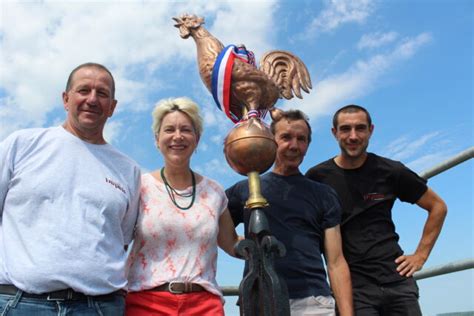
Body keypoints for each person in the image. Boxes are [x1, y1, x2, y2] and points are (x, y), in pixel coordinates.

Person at [0, 62, 141, 315]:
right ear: (66, 99)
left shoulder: (128, 170)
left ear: (112, 107)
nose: (92, 99)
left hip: (99, 307)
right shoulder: (21, 145)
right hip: (21, 304)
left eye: (102, 93)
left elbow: (119, 239)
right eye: (83, 90)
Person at [306, 104, 448, 315]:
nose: (353, 136)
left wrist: (420, 256)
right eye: (345, 129)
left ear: (370, 130)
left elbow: (438, 206)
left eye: (360, 128)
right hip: (353, 286)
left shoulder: (391, 171)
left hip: (397, 279)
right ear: (334, 133)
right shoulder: (317, 178)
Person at [226, 109, 353, 316]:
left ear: (308, 145)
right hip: (259, 301)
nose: (294, 145)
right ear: (271, 140)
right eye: (285, 137)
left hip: (313, 303)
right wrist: (241, 247)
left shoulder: (323, 194)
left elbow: (336, 261)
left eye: (301, 139)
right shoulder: (244, 188)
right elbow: (209, 224)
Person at [126, 97, 240, 316]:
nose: (177, 136)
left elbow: (231, 243)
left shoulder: (214, 192)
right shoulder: (139, 187)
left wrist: (260, 242)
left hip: (204, 305)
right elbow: (118, 241)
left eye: (186, 130)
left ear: (196, 139)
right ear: (157, 138)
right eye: (169, 129)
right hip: (146, 304)